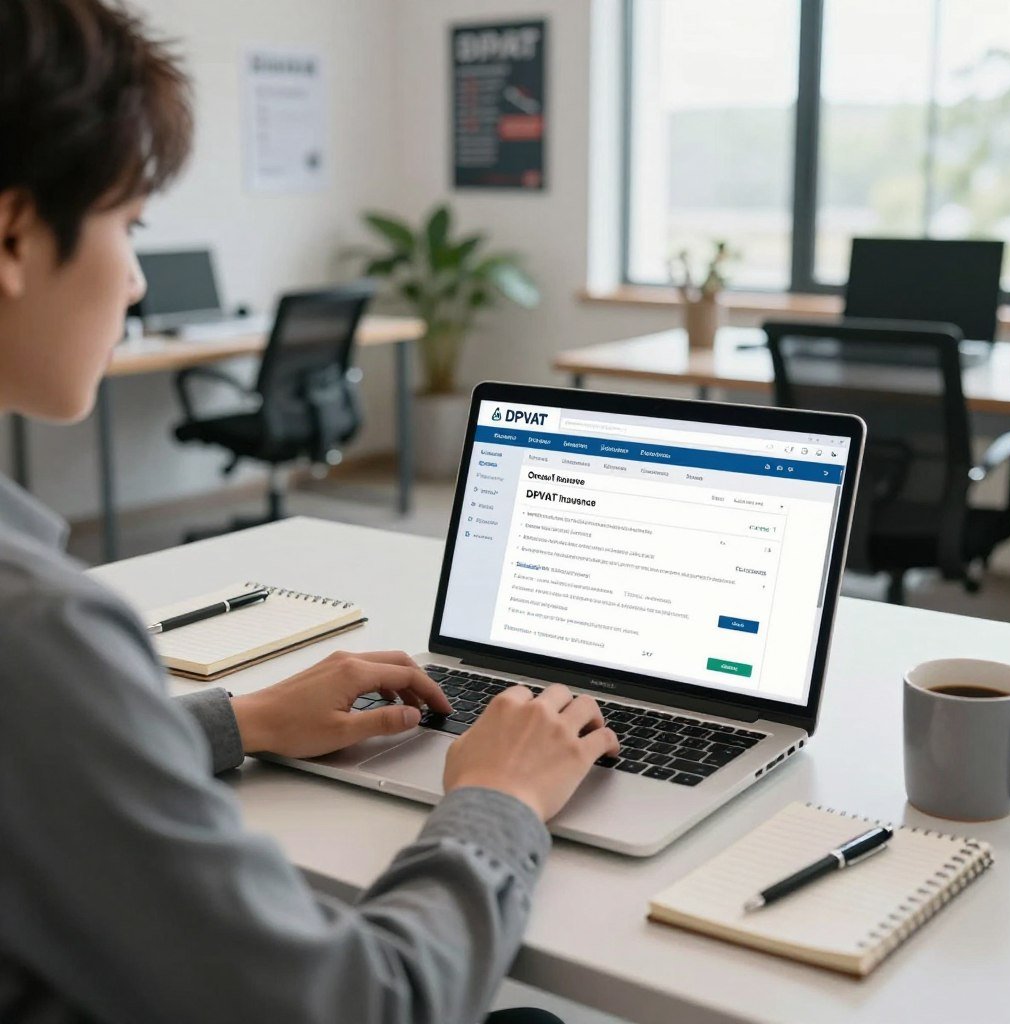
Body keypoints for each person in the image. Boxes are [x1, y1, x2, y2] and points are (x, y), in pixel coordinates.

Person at [0, 2, 621, 1023]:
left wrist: (239, 718)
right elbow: (362, 1006)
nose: (138, 279)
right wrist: (501, 798)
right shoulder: (40, 629)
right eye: (130, 225)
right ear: (16, 233)